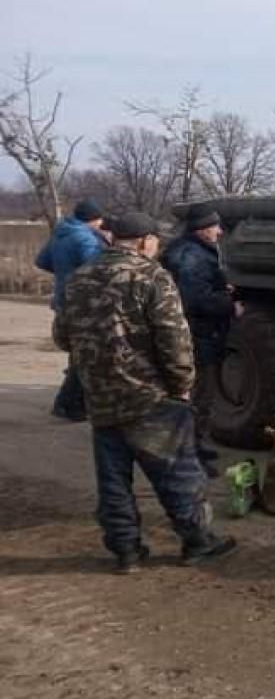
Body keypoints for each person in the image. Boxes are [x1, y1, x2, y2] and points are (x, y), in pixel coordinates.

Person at [54, 212, 236, 573]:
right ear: (144, 241)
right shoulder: (151, 276)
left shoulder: (80, 278)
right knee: (178, 474)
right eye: (155, 240)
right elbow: (174, 339)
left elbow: (63, 336)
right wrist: (182, 386)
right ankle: (198, 541)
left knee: (113, 481)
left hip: (101, 398)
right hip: (150, 397)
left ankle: (126, 551)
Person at [160, 203, 243, 477]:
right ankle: (189, 457)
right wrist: (229, 305)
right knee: (198, 397)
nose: (219, 231)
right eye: (215, 226)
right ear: (202, 229)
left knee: (198, 396)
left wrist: (220, 286)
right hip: (197, 334)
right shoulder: (192, 256)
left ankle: (195, 446)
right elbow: (194, 299)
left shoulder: (188, 251)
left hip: (195, 333)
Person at [36, 199, 107, 421]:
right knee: (85, 356)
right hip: (83, 303)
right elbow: (96, 268)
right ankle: (69, 405)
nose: (101, 224)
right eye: (99, 220)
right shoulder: (85, 238)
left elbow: (41, 260)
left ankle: (71, 403)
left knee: (78, 353)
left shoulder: (61, 233)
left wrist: (64, 271)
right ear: (92, 219)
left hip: (63, 300)